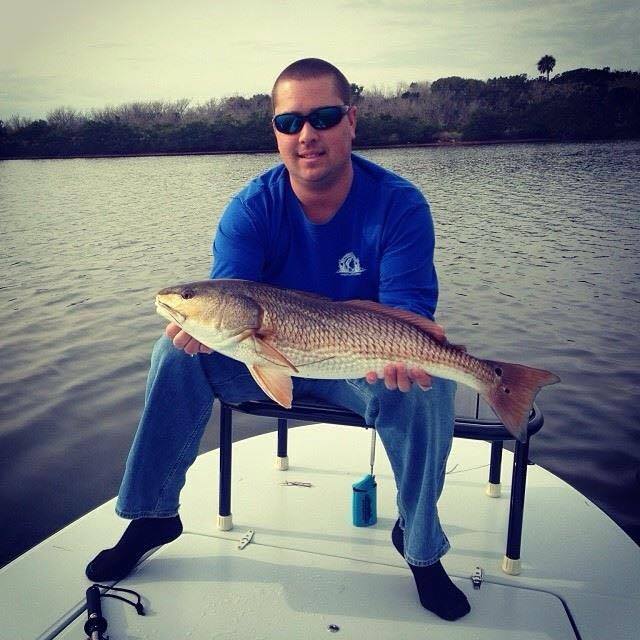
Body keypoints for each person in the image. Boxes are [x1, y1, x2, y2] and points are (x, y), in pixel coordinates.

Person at [86, 58, 470, 621]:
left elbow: (408, 312)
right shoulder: (251, 207)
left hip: (357, 369)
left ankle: (420, 546)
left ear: (351, 121)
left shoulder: (399, 204)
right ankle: (152, 514)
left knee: (430, 386)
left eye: (323, 117)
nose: (306, 135)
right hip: (263, 355)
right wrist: (199, 326)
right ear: (276, 131)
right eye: (290, 122)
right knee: (173, 350)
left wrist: (402, 358)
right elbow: (231, 296)